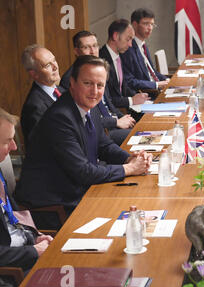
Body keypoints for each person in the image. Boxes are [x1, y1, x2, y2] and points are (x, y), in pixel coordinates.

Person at [14, 55, 153, 230]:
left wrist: (131, 158)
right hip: (54, 206)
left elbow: (105, 145)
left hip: (79, 190)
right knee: (129, 220)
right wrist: (130, 169)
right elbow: (83, 172)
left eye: (100, 85)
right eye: (88, 83)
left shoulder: (88, 106)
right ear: (72, 83)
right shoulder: (60, 118)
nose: (94, 91)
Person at [0, 108, 52, 287]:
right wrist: (32, 252)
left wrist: (33, 237)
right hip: (11, 272)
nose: (14, 147)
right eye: (7, 141)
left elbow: (12, 218)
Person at [60, 30, 136, 146]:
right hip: (99, 132)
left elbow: (109, 103)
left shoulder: (99, 69)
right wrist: (116, 122)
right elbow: (83, 117)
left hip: (113, 124)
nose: (92, 51)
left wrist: (124, 118)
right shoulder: (70, 79)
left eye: (95, 46)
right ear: (76, 51)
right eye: (86, 47)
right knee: (138, 135)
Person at [99, 19, 150, 116]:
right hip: (117, 114)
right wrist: (131, 100)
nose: (130, 45)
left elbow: (123, 87)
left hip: (127, 109)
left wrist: (137, 96)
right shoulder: (102, 61)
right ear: (115, 36)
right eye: (128, 39)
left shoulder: (119, 55)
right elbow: (108, 100)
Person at [21, 45, 64, 148]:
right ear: (34, 74)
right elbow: (42, 146)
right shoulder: (34, 106)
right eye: (48, 65)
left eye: (54, 60)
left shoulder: (63, 91)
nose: (55, 67)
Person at [121, 8, 170, 95]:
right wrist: (156, 85)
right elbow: (129, 81)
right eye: (146, 24)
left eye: (152, 24)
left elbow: (151, 71)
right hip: (147, 94)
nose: (150, 28)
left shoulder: (143, 44)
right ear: (135, 25)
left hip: (158, 90)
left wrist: (166, 80)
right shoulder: (128, 49)